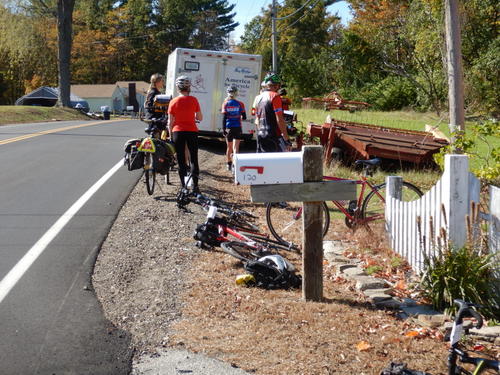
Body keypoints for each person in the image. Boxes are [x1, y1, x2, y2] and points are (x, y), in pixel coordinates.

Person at [167, 76, 203, 192]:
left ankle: (184, 186)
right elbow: (199, 117)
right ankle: (195, 187)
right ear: (189, 87)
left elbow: (170, 122)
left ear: (178, 88)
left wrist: (170, 135)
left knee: (181, 160)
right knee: (193, 159)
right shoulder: (194, 100)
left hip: (178, 131)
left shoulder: (173, 101)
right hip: (192, 131)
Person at [255, 72, 291, 152]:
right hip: (272, 135)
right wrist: (286, 138)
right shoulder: (275, 96)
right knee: (276, 163)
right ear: (277, 85)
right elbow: (279, 119)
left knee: (263, 162)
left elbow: (257, 120)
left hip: (260, 135)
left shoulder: (258, 98)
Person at [221, 84, 246, 171]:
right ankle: (235, 165)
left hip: (228, 128)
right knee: (236, 148)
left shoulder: (225, 103)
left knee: (229, 147)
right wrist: (239, 116)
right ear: (236, 93)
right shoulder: (240, 104)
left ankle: (229, 164)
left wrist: (223, 129)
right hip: (237, 127)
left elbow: (224, 118)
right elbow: (244, 116)